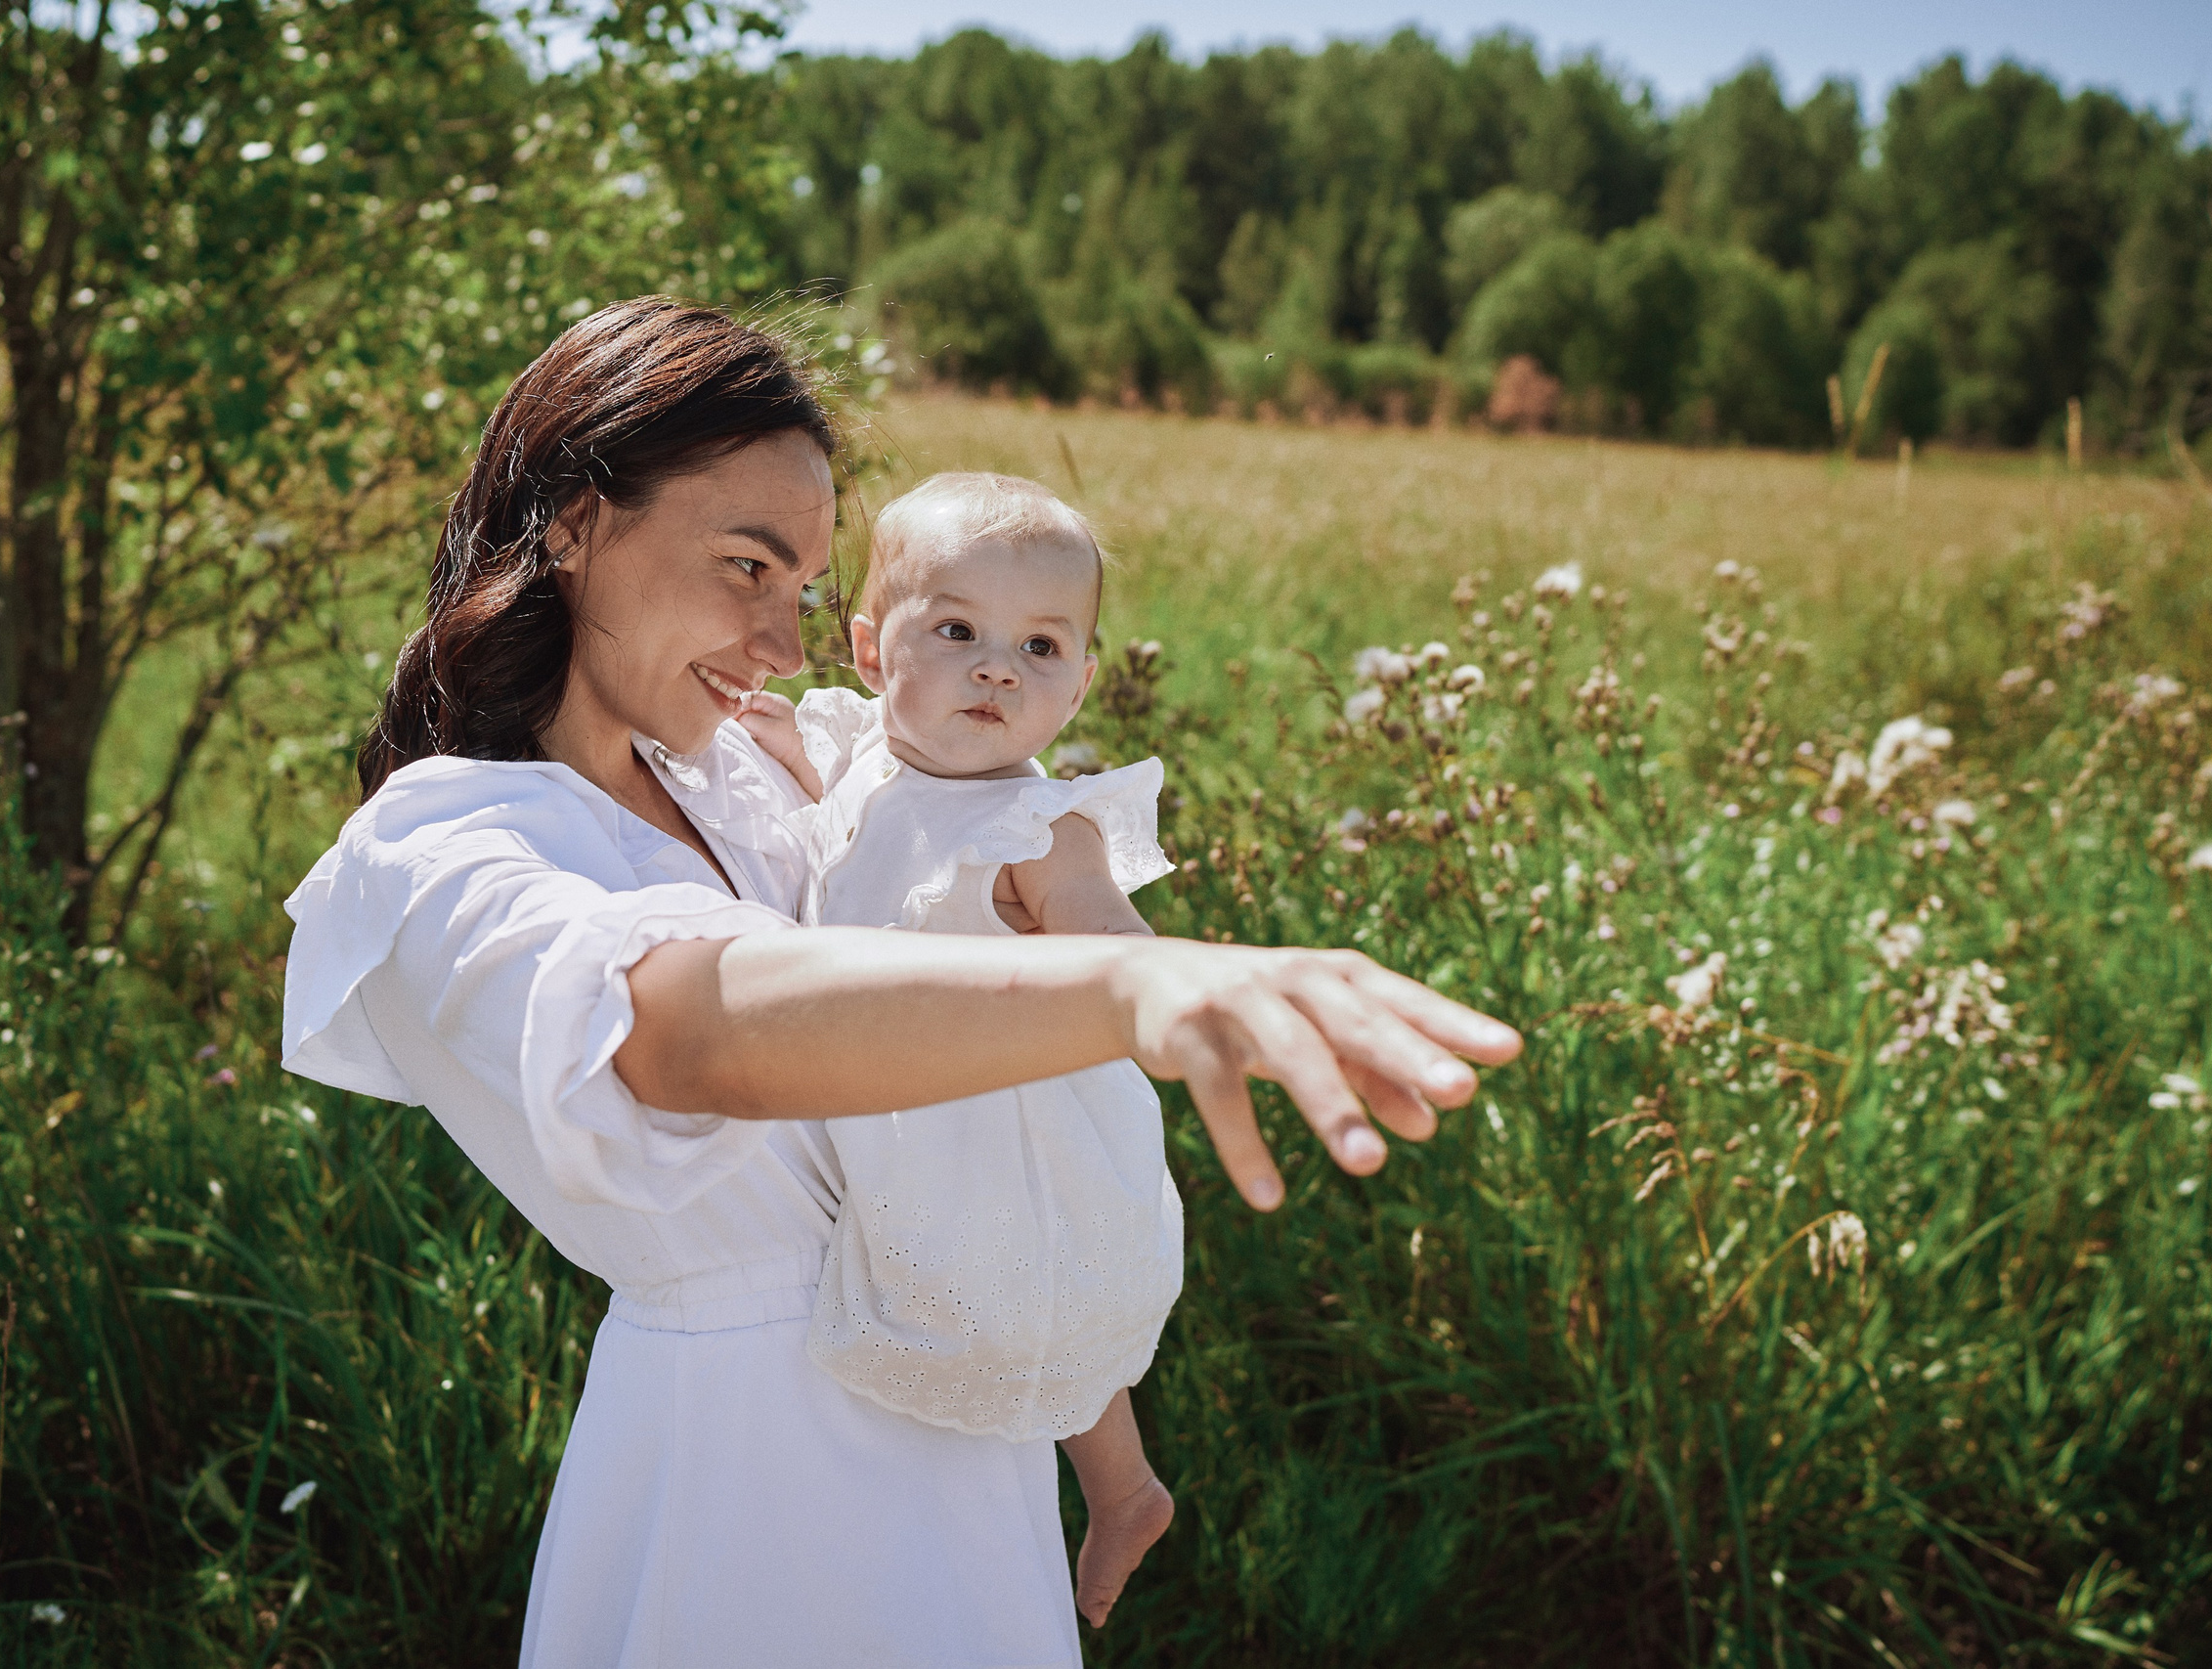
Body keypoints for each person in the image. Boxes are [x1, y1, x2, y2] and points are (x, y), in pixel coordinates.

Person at [281, 296, 1521, 1669]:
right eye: (746, 565)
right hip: (747, 1468)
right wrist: (1117, 990)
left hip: (958, 1405)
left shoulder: (752, 770)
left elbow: (950, 792)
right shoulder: (447, 842)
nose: (785, 639)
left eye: (804, 589)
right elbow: (686, 1027)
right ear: (573, 522)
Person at [736, 471, 1184, 1629]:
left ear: (1082, 683)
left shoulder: (1039, 830)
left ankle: (1114, 1495)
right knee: (979, 1313)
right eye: (957, 631)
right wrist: (789, 755)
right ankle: (1073, 1504)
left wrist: (1178, 992)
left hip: (1017, 1141)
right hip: (910, 1130)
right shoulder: (869, 762)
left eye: (1040, 646)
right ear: (873, 653)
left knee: (1035, 1307)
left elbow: (1113, 941)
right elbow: (845, 829)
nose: (998, 668)